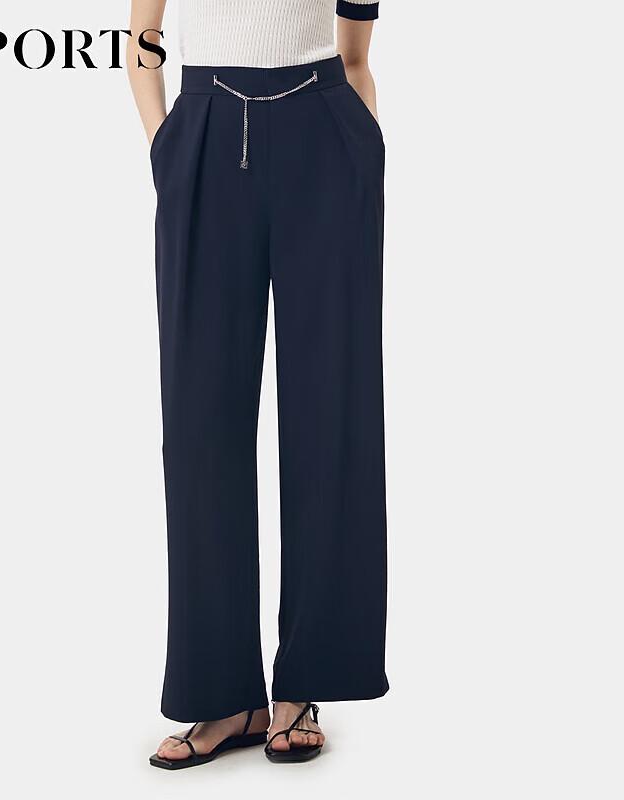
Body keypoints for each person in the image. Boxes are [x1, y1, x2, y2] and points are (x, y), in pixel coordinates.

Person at [127, 0, 387, 769]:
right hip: (204, 132)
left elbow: (355, 56)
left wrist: (362, 154)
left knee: (331, 412)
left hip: (323, 134)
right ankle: (221, 694)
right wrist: (166, 144)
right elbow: (142, 38)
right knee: (198, 427)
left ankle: (305, 683)